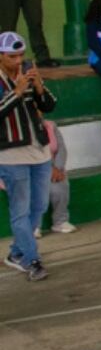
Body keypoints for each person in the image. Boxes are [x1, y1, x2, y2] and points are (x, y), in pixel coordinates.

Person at [0, 31, 54, 280]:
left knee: (39, 205)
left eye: (21, 55)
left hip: (39, 151)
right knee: (20, 211)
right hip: (11, 155)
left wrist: (39, 87)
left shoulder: (28, 74)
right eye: (12, 56)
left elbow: (49, 106)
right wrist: (16, 92)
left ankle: (16, 252)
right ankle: (32, 260)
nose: (18, 60)